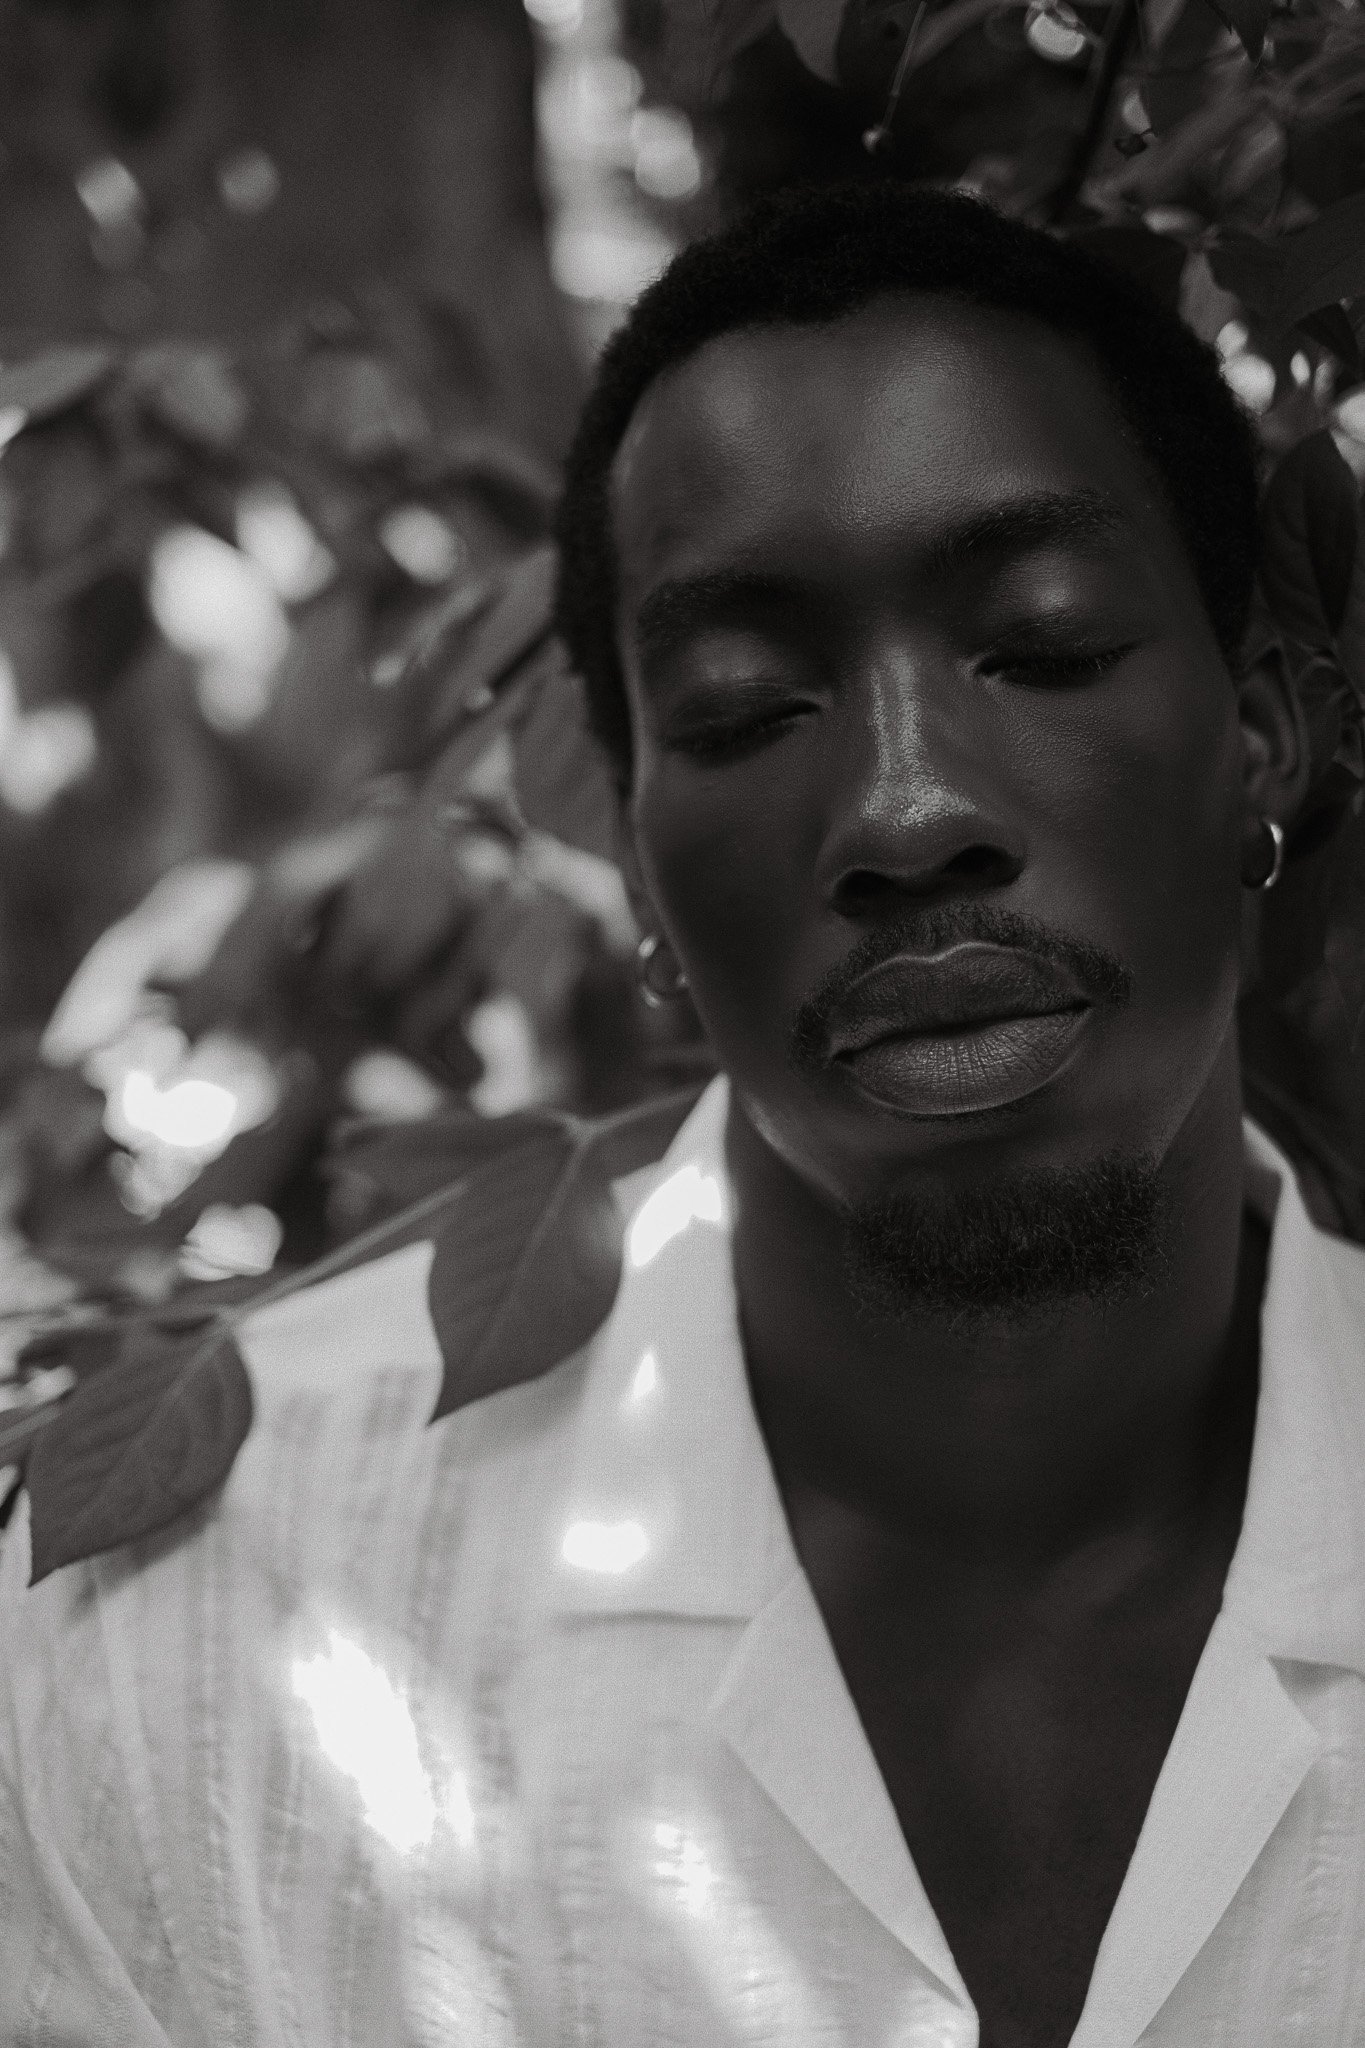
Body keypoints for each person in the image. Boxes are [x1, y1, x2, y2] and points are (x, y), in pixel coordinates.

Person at [0, 180, 1358, 2048]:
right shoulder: (175, 1645)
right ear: (633, 870)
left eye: (1037, 647)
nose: (901, 812)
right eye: (740, 711)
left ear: (1263, 740)